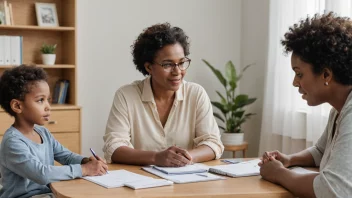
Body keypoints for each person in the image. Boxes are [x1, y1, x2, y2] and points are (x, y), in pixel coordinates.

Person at [103, 23, 224, 167]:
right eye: (168, 64)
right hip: (141, 182)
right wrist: (156, 158)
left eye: (181, 63)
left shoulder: (196, 94)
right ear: (149, 67)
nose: (177, 71)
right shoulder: (126, 96)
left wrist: (183, 158)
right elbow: (114, 147)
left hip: (186, 182)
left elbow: (213, 143)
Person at [259, 12, 352, 197]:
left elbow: (332, 189)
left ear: (326, 75)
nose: (295, 82)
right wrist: (289, 160)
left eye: (299, 74)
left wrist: (278, 173)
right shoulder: (339, 110)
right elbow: (320, 151)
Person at [0, 65, 108, 198]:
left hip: (48, 194)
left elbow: (66, 156)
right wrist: (85, 169)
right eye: (40, 100)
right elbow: (42, 174)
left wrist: (86, 161)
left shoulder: (43, 133)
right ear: (17, 106)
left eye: (48, 100)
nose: (48, 107)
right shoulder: (12, 142)